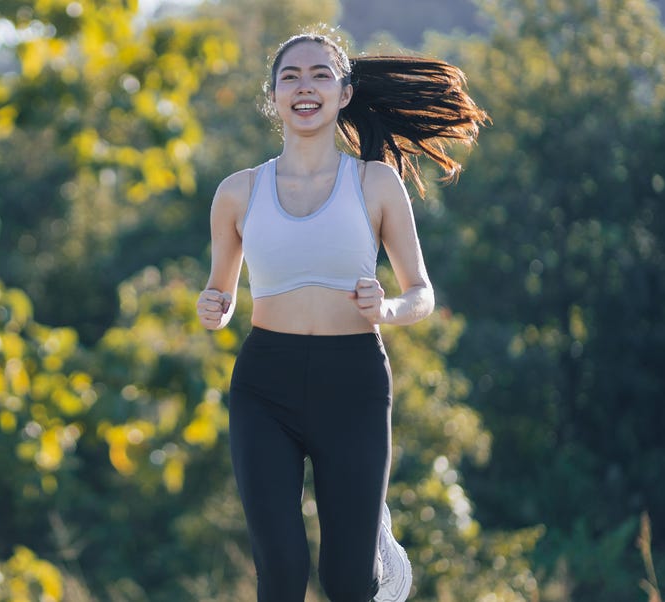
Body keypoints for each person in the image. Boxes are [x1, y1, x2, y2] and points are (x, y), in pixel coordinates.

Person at [195, 28, 489, 602]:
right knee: (280, 574)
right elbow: (220, 296)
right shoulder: (237, 192)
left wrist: (388, 307)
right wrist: (214, 309)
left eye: (320, 75)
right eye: (290, 77)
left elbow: (421, 292)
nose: (305, 87)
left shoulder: (375, 183)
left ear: (345, 93)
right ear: (274, 96)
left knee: (348, 581)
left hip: (353, 381)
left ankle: (377, 559)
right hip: (264, 386)